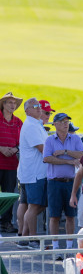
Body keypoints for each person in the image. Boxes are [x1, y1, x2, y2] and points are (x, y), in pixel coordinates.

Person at [43, 112, 83, 259]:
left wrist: (65, 152)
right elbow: (47, 158)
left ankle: (69, 247)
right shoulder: (50, 140)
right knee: (54, 216)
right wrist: (68, 161)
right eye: (62, 122)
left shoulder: (75, 138)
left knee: (70, 215)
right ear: (55, 124)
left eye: (67, 121)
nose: (65, 124)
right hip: (54, 183)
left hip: (71, 183)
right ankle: (56, 248)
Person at [16, 98, 49, 249]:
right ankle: (33, 240)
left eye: (39, 106)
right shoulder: (31, 125)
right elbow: (43, 149)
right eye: (35, 106)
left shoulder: (35, 124)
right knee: (34, 206)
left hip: (32, 172)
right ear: (27, 110)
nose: (39, 108)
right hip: (34, 174)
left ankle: (24, 237)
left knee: (31, 205)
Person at [0, 92, 23, 233]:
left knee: (9, 194)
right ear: (3, 104)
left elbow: (24, 142)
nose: (12, 105)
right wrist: (1, 148)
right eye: (10, 102)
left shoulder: (18, 122)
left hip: (11, 164)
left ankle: (5, 222)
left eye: (14, 103)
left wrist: (15, 149)